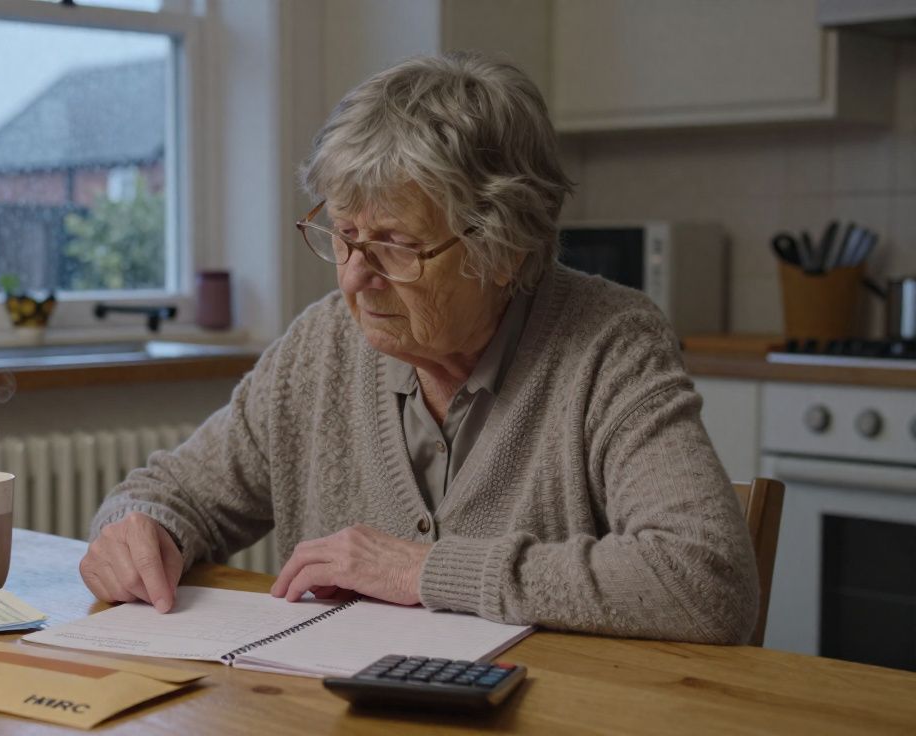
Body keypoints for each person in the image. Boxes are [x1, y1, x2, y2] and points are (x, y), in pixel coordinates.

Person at [78, 52, 759, 644]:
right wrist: (140, 530)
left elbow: (706, 578)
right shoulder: (321, 345)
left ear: (503, 249)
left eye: (396, 245)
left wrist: (425, 571)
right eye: (342, 234)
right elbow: (168, 492)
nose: (353, 274)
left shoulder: (610, 344)